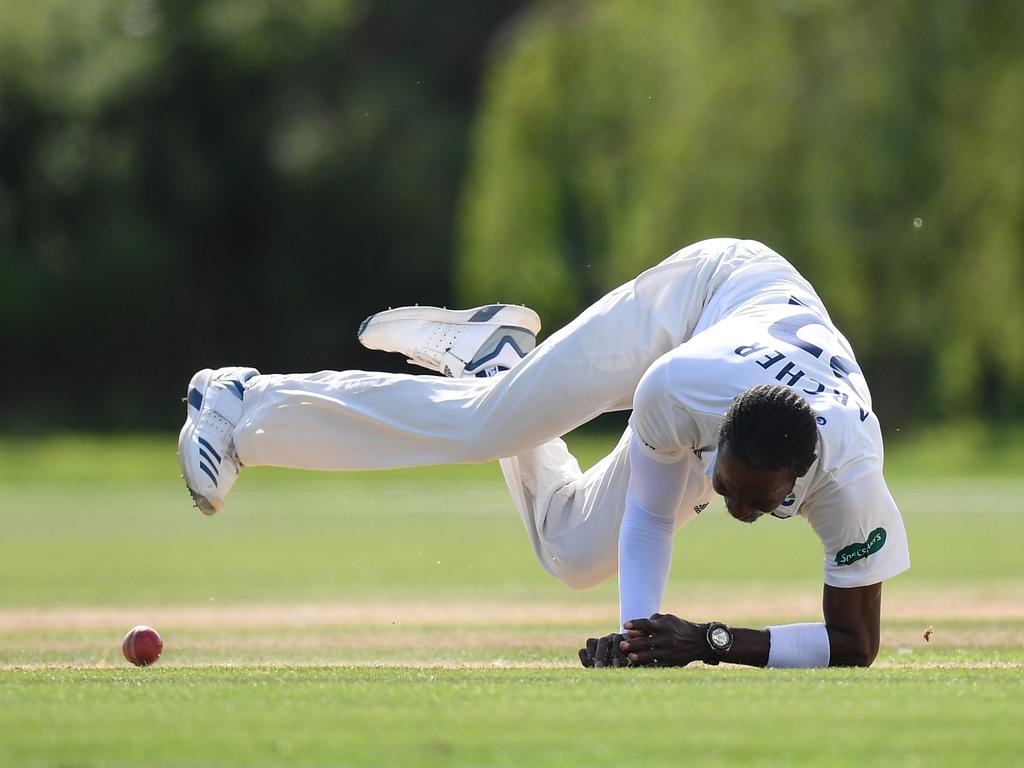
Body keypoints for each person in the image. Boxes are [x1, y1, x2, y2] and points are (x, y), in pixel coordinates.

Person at [178, 238, 909, 669]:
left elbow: (857, 643)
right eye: (728, 488)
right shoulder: (677, 389)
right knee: (487, 428)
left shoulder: (851, 479)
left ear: (802, 479)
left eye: (766, 500)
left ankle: (496, 358)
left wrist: (697, 642)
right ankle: (244, 405)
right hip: (707, 291)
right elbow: (651, 520)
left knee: (572, 553)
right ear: (712, 446)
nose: (739, 509)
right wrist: (646, 636)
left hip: (755, 352)